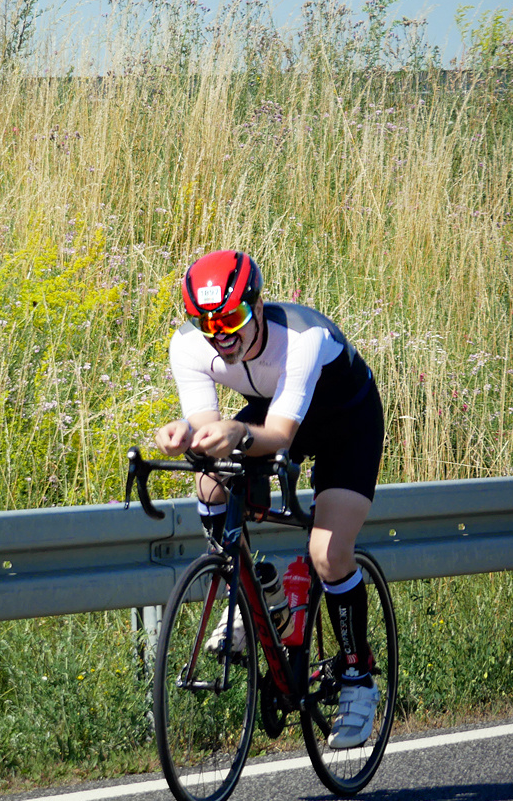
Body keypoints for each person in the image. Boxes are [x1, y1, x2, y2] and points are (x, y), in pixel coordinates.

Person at [153, 250, 385, 750]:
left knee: (328, 554)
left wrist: (234, 430)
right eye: (207, 323)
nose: (222, 335)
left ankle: (357, 678)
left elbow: (278, 434)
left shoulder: (301, 338)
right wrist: (184, 433)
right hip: (275, 410)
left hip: (346, 423)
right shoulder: (189, 346)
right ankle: (255, 596)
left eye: (232, 318)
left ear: (257, 306)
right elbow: (203, 420)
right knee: (210, 484)